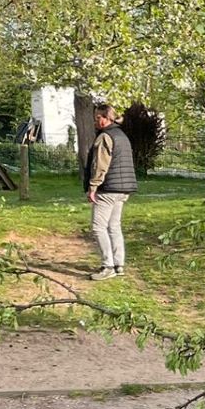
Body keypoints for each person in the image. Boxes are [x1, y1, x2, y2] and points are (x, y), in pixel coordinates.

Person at [81, 102, 137, 280]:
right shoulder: (122, 135)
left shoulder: (105, 137)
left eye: (98, 118)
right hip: (123, 189)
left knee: (98, 227)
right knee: (114, 226)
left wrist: (93, 187)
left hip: (108, 189)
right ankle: (119, 264)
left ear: (106, 118)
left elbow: (100, 165)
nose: (95, 121)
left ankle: (108, 266)